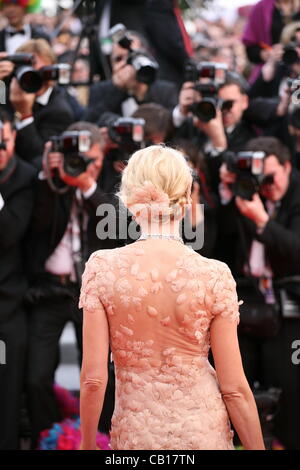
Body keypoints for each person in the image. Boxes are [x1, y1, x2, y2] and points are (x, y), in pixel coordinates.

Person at [79, 144, 265, 450]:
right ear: (187, 197)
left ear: (128, 199)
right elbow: (234, 389)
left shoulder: (102, 269)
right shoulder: (213, 274)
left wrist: (87, 445)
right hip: (203, 433)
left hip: (136, 437)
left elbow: (92, 381)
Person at [219, 136, 300, 449]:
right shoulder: (246, 194)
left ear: (288, 167)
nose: (267, 186)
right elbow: (220, 240)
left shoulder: (295, 196)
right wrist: (229, 193)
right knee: (240, 387)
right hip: (246, 305)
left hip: (289, 309)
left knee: (290, 391)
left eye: (272, 177)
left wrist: (263, 221)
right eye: (260, 179)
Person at [0, 108, 36, 449]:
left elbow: (8, 232)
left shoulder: (25, 177)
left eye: (3, 139)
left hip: (8, 304)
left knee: (9, 391)